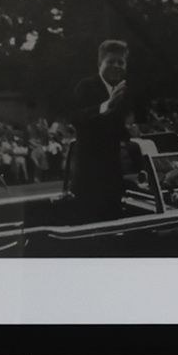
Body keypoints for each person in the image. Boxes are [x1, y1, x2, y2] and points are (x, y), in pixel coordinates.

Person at [68, 39, 135, 220]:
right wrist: (106, 106)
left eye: (121, 62)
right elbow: (77, 118)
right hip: (89, 179)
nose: (116, 66)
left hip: (113, 177)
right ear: (100, 64)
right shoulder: (86, 86)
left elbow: (118, 130)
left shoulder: (121, 91)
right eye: (110, 62)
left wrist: (133, 137)